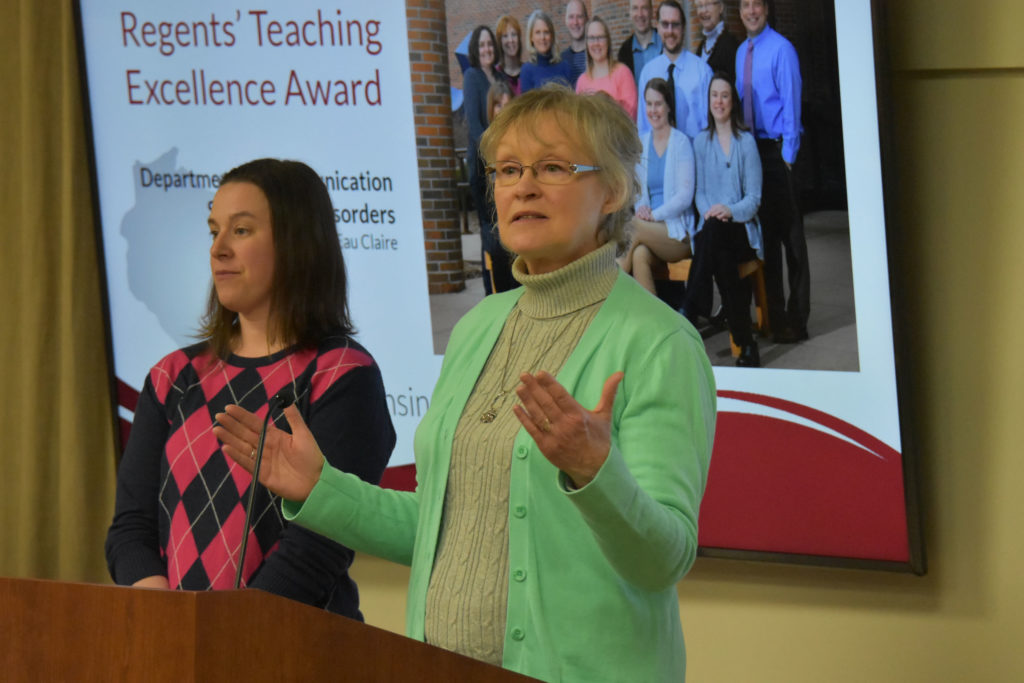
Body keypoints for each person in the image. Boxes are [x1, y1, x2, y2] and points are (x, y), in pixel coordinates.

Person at [214, 85, 716, 682]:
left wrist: (596, 472)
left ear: (613, 190)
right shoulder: (479, 326)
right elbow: (442, 529)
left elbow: (664, 559)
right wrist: (322, 489)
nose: (522, 186)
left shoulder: (659, 343)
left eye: (551, 167)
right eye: (507, 170)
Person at [105, 159, 395, 618]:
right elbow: (131, 529)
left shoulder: (341, 374)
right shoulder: (172, 377)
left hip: (295, 651)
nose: (218, 249)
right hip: (180, 649)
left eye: (240, 231)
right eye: (213, 230)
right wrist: (171, 626)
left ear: (297, 243)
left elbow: (317, 549)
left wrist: (227, 635)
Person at [735, 0, 808, 342]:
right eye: (745, 5)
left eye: (757, 5)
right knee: (767, 242)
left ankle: (798, 319)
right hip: (755, 152)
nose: (751, 11)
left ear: (766, 9)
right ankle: (776, 319)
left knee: (792, 243)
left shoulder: (782, 50)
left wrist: (789, 158)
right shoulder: (741, 53)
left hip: (780, 152)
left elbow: (791, 105)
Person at [691, 73, 763, 366]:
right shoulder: (700, 142)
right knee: (720, 256)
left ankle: (693, 303)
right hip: (715, 231)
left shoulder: (746, 143)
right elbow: (700, 194)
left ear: (733, 102)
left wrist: (728, 211)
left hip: (742, 230)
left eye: (724, 95)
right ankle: (746, 344)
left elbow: (754, 200)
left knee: (715, 236)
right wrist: (712, 212)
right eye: (714, 95)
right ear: (708, 102)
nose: (718, 101)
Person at [621, 78, 696, 296]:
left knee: (631, 227)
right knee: (639, 255)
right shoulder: (642, 143)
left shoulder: (681, 143)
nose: (653, 110)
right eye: (649, 104)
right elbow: (639, 192)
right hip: (648, 229)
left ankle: (604, 296)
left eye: (658, 104)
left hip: (677, 233)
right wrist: (643, 209)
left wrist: (653, 215)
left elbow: (685, 196)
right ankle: (653, 325)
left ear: (669, 106)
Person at [463, 25, 508, 294]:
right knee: (489, 232)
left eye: (490, 44)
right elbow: (475, 124)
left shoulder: (500, 76)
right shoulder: (472, 76)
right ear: (474, 50)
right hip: (483, 166)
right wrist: (495, 155)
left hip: (503, 165)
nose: (487, 49)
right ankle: (490, 292)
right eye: (481, 45)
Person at [637, 0, 713, 140]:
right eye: (665, 24)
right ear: (658, 27)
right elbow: (643, 128)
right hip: (659, 157)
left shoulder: (702, 72)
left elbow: (710, 127)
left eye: (675, 25)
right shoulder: (647, 73)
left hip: (695, 156)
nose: (670, 31)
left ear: (683, 27)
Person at [482, 79, 517, 293]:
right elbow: (479, 191)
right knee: (500, 294)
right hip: (496, 230)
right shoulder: (484, 144)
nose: (503, 110)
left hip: (518, 225)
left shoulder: (523, 142)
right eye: (498, 105)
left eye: (507, 105)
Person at [574, 16, 638, 121]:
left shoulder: (622, 73)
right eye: (591, 38)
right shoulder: (582, 81)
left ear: (608, 41)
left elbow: (630, 117)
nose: (596, 43)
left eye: (600, 37)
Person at [519, 10, 571, 92]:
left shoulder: (565, 67)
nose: (542, 37)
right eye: (538, 32)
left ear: (552, 36)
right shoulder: (526, 70)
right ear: (531, 37)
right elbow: (528, 104)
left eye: (546, 32)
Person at [617, 0, 662, 85]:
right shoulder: (624, 52)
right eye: (635, 8)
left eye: (644, 8)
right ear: (630, 13)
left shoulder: (664, 43)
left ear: (651, 11)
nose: (640, 14)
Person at [694, 0, 739, 79]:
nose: (704, 10)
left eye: (708, 4)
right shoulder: (701, 47)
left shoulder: (730, 45)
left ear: (721, 8)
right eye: (700, 6)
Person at [560, 0, 589, 86]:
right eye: (571, 17)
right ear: (565, 21)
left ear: (586, 19)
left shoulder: (595, 55)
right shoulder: (561, 60)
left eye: (579, 16)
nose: (575, 22)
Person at [495, 15, 524, 94]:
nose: (510, 40)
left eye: (514, 34)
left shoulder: (527, 70)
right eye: (505, 36)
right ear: (500, 42)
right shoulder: (495, 75)